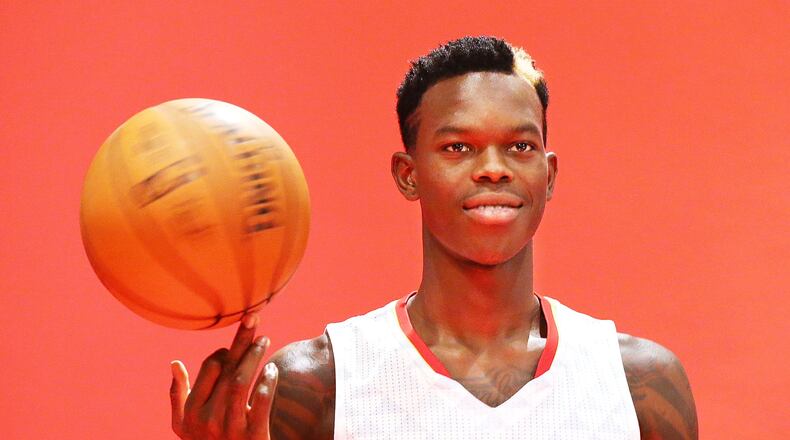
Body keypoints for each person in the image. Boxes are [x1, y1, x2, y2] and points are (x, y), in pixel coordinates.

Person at [169, 36, 698, 439]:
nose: (493, 169)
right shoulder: (317, 383)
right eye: (457, 148)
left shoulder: (640, 384)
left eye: (519, 147)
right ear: (407, 174)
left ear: (550, 174)